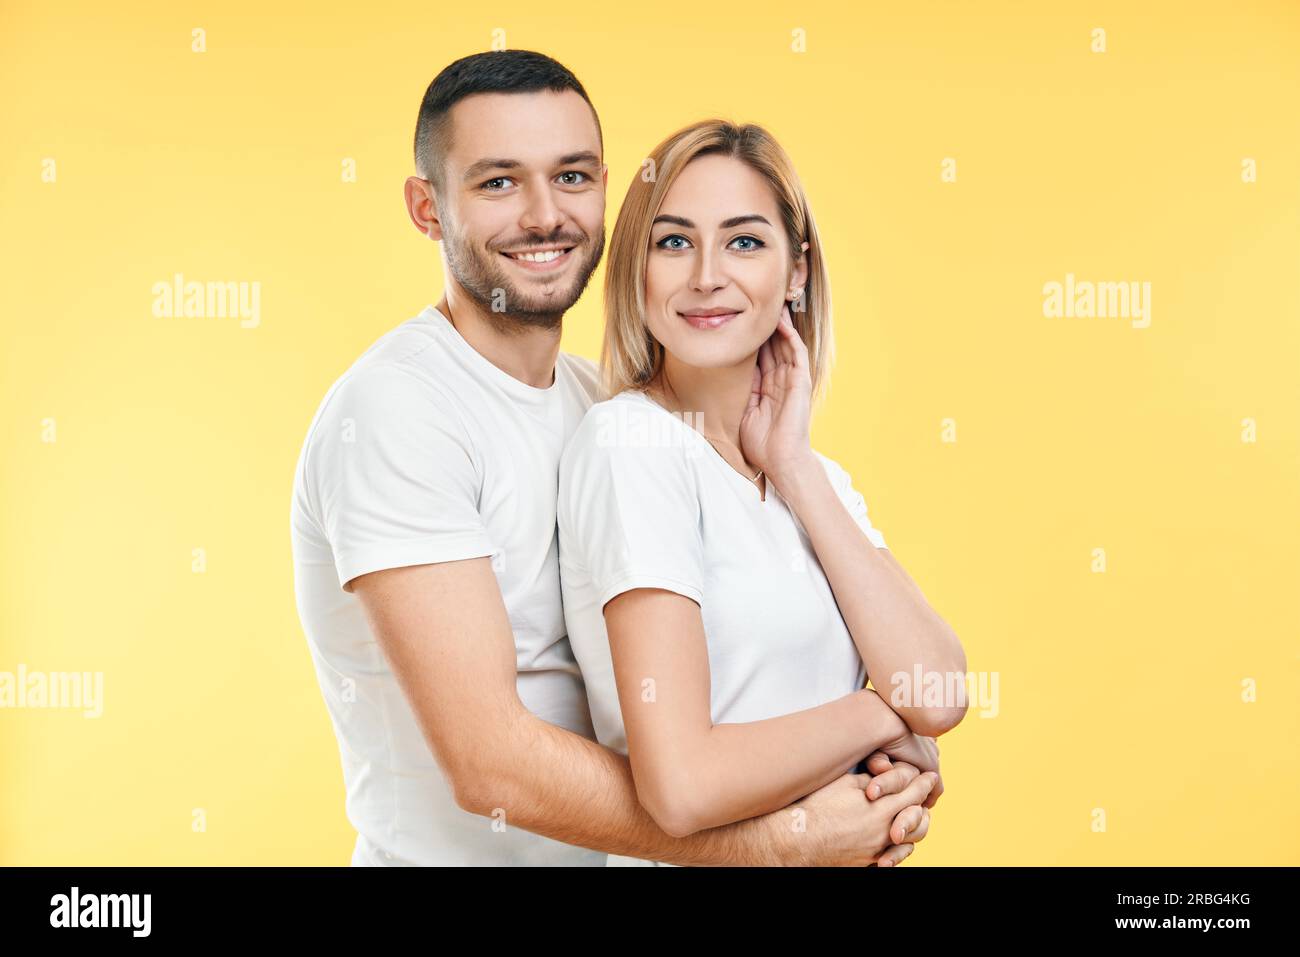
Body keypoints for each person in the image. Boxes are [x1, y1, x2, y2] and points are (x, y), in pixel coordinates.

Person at [291, 49, 935, 866]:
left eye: (571, 176)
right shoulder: (400, 411)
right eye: (497, 182)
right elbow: (494, 766)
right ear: (427, 207)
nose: (542, 215)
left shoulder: (606, 405)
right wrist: (786, 836)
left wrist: (865, 764)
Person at [558, 119, 965, 865]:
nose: (707, 275)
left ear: (797, 271)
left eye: (744, 241)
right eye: (674, 241)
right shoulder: (632, 445)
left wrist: (795, 465)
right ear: (636, 269)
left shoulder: (814, 479)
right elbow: (680, 785)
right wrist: (877, 714)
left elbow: (937, 692)